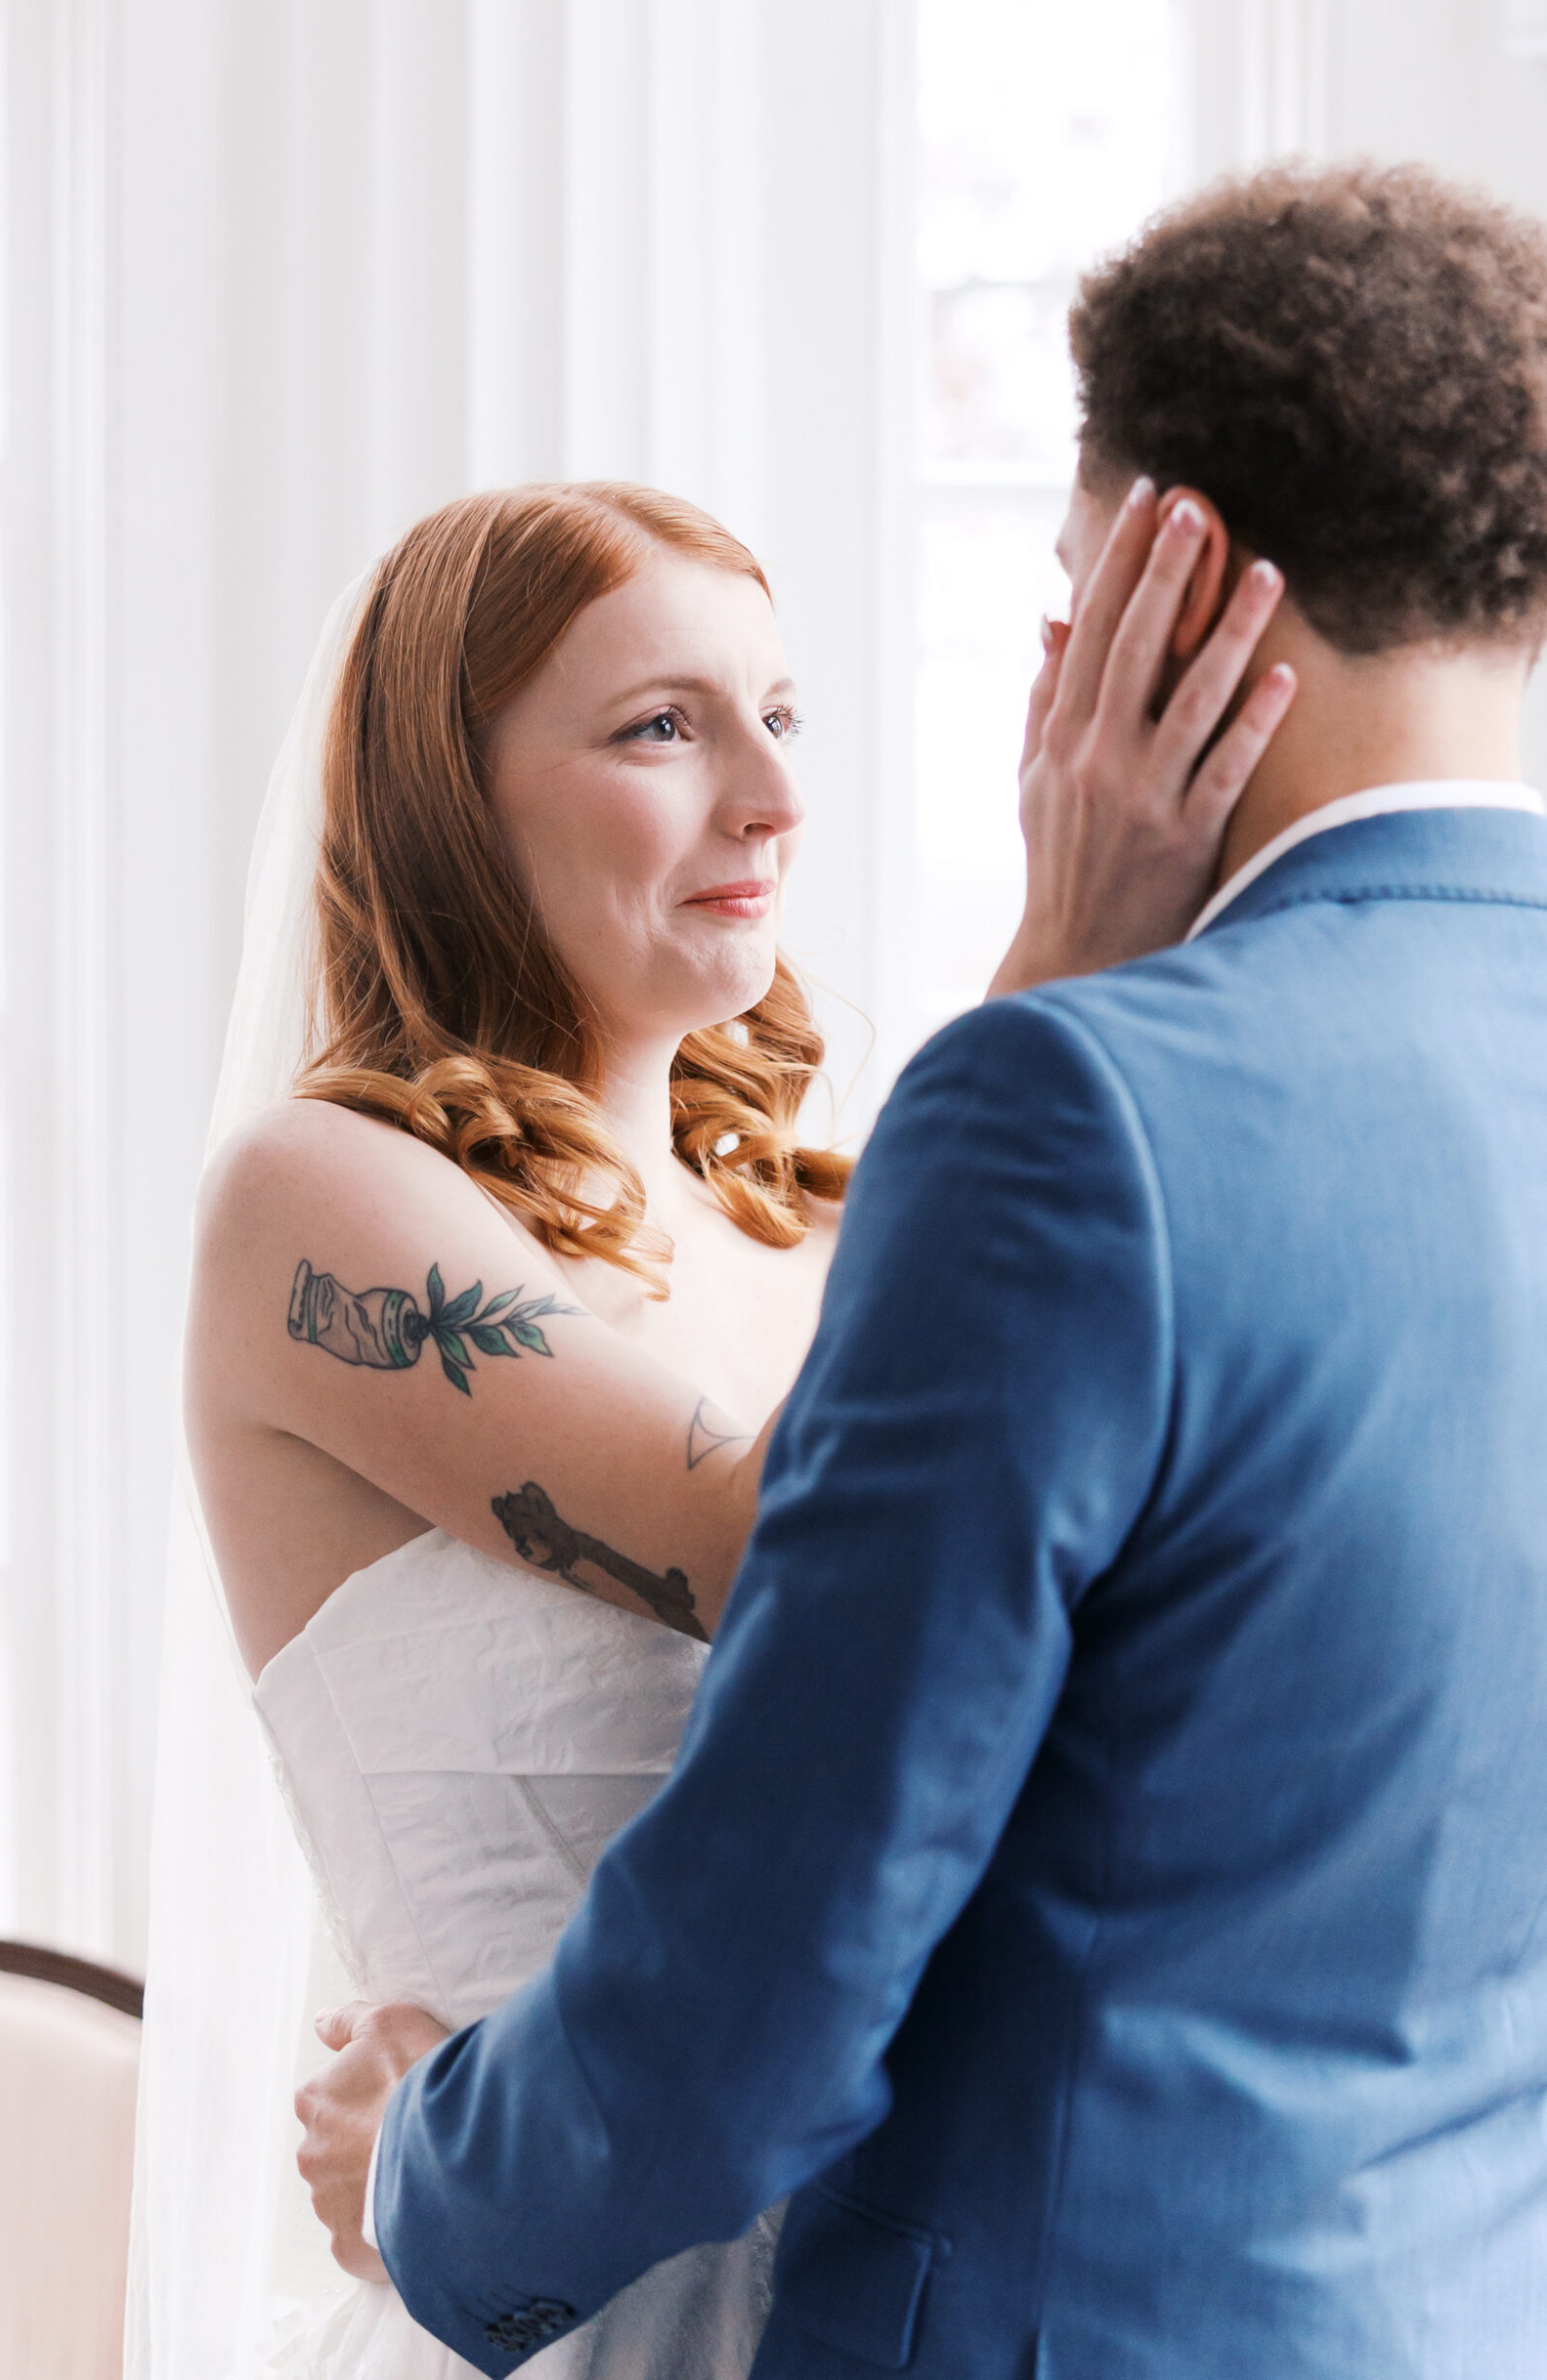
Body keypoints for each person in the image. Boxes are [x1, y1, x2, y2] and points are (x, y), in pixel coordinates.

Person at [295, 162, 1547, 2379]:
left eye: (1075, 598)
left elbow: (769, 1964)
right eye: (664, 722)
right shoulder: (335, 1200)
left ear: (1183, 595)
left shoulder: (1079, 1116)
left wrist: (423, 2167)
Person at [128, 472, 1287, 2380]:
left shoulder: (855, 1223)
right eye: (662, 725)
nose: (771, 792)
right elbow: (805, 1557)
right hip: (568, 2306)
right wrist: (1064, 951)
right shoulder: (320, 1198)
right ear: (449, 796)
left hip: (913, 2292)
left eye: (782, 713)